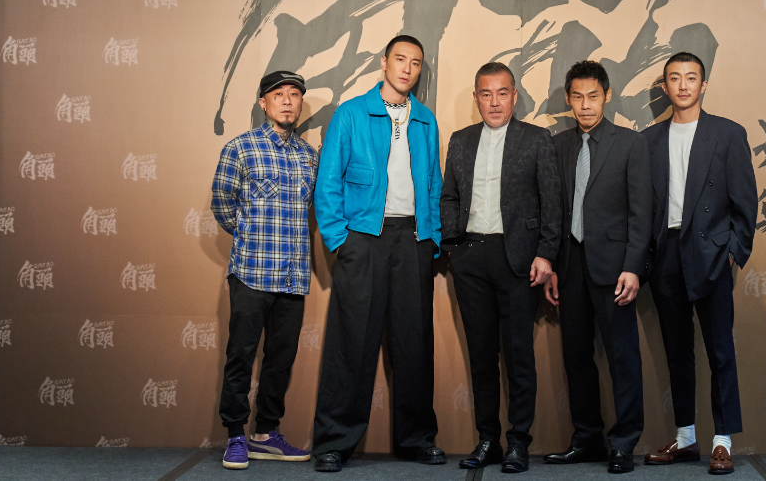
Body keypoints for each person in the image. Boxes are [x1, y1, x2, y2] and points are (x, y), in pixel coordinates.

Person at [311, 35, 445, 473]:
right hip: (364, 238)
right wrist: (340, 240)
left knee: (414, 342)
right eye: (400, 59)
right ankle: (334, 442)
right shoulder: (351, 113)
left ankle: (416, 439)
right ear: (384, 62)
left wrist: (432, 239)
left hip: (413, 240)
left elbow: (433, 184)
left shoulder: (425, 119)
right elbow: (328, 181)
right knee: (351, 341)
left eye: (416, 63)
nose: (407, 68)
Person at [440, 62, 561, 473]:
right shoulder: (460, 141)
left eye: (502, 93)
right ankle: (488, 439)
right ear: (477, 98)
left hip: (520, 260)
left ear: (514, 97)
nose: (495, 102)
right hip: (471, 258)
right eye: (486, 94)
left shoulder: (537, 139)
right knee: (481, 355)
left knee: (519, 355)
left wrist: (546, 254)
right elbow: (450, 197)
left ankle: (518, 442)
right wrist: (453, 246)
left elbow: (552, 202)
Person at [640, 52, 757, 475]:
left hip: (710, 252)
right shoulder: (649, 140)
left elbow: (745, 202)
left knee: (720, 350)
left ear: (703, 85)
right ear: (665, 87)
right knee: (677, 351)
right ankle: (686, 438)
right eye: (675, 78)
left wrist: (732, 252)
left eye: (691, 78)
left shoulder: (727, 134)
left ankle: (723, 441)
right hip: (666, 254)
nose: (683, 85)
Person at [544, 61, 651, 474]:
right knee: (576, 357)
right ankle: (586, 439)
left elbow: (641, 212)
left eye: (593, 96)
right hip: (570, 266)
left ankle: (623, 443)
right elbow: (554, 210)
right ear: (568, 99)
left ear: (607, 96)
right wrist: (553, 265)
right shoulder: (557, 145)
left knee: (623, 357)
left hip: (615, 269)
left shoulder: (631, 143)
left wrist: (634, 267)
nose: (585, 105)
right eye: (577, 97)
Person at [211, 71, 318, 470]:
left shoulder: (309, 156)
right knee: (240, 355)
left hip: (293, 276)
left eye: (294, 95)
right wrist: (251, 238)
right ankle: (235, 436)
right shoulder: (240, 149)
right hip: (251, 273)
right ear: (263, 103)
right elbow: (223, 204)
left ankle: (266, 434)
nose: (287, 101)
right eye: (278, 95)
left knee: (280, 358)